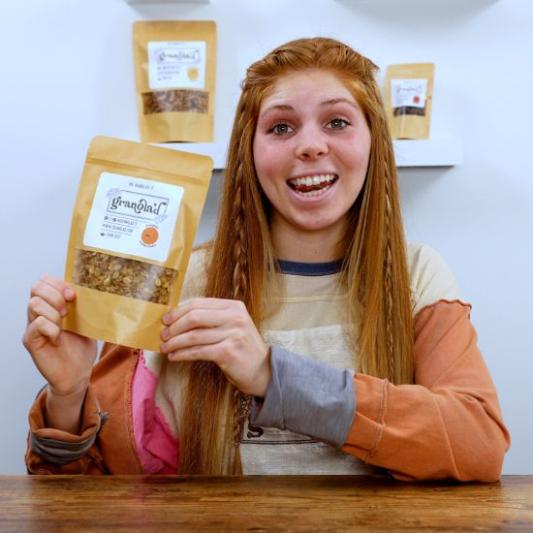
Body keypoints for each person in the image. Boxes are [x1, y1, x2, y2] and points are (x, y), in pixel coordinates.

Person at [23, 37, 510, 480]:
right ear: (250, 151)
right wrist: (68, 395)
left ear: (373, 142)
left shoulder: (417, 275)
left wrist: (269, 375)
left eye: (337, 122)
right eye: (281, 127)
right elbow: (86, 496)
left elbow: (478, 443)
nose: (311, 145)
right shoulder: (183, 281)